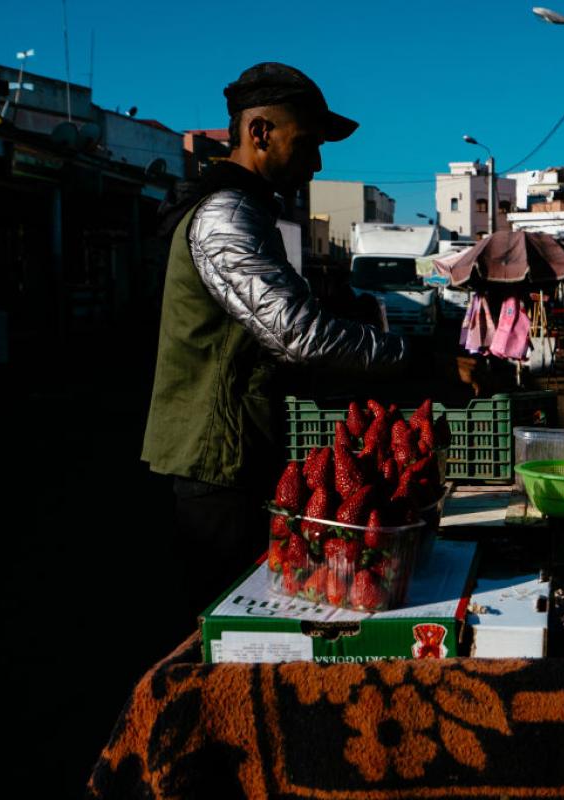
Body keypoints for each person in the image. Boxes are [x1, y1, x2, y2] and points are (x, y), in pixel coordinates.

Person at [142, 63, 405, 613]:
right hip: (216, 461)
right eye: (307, 143)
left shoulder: (249, 210)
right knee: (226, 616)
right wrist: (413, 357)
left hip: (239, 450)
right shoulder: (225, 214)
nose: (317, 162)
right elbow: (298, 335)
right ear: (260, 132)